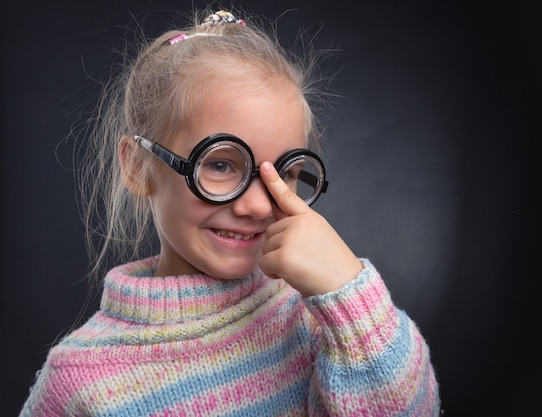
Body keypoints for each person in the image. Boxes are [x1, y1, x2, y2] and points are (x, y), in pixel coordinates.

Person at [19, 6, 441, 416]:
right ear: (137, 166)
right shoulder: (79, 381)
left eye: (286, 173)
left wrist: (351, 296)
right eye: (220, 164)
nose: (258, 205)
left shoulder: (323, 321)